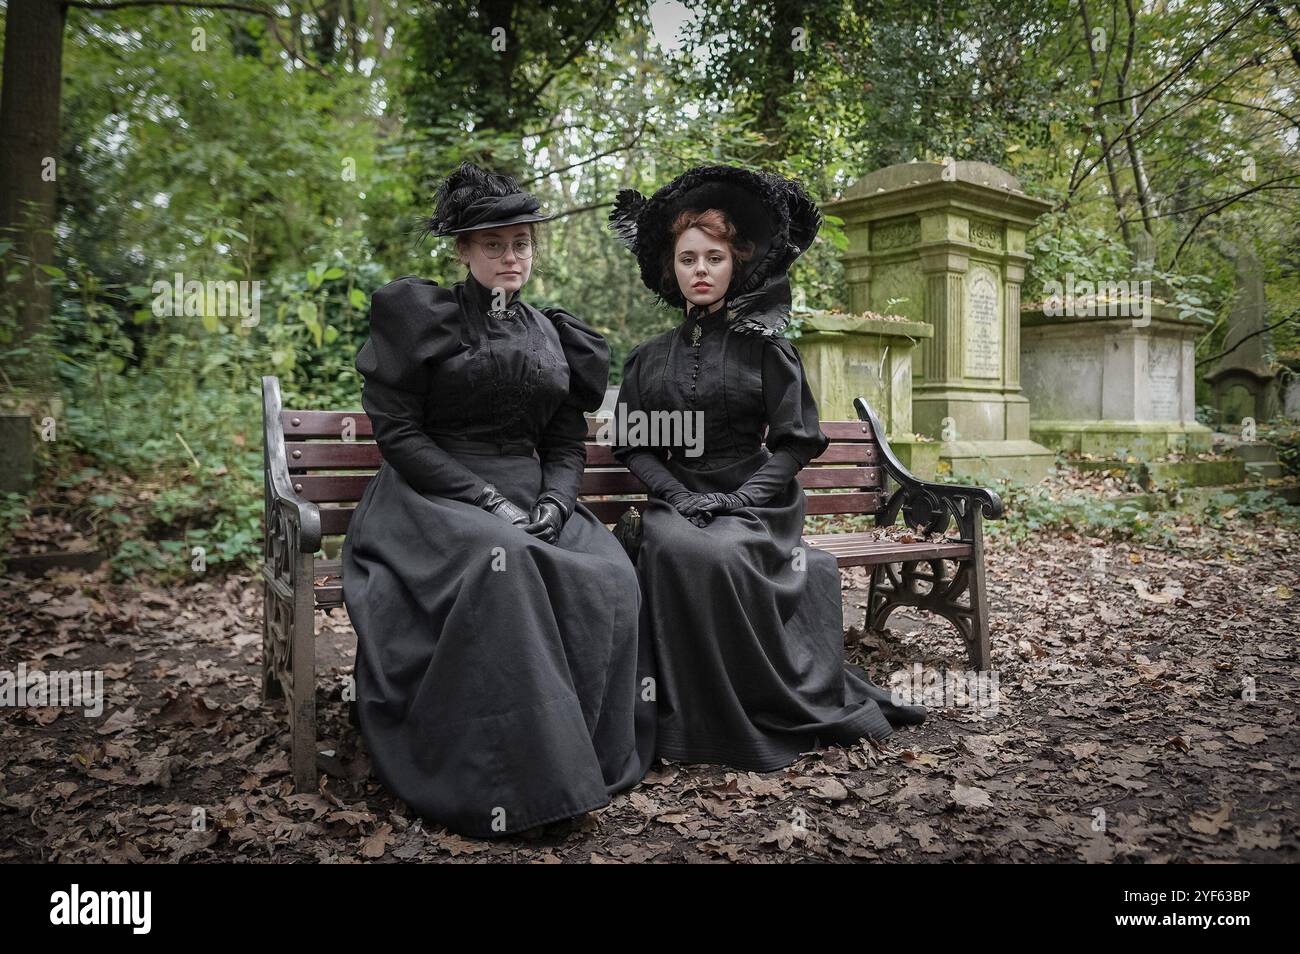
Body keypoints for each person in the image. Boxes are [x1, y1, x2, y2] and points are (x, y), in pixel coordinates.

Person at [342, 161, 648, 838]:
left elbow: (566, 444)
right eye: (494, 245)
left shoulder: (555, 333)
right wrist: (485, 498)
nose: (512, 257)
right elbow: (399, 435)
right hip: (430, 499)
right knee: (504, 566)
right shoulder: (423, 319)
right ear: (464, 250)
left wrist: (557, 503)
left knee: (613, 573)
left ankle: (584, 760)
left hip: (531, 495)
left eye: (522, 244)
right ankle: (521, 786)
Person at [607, 164, 927, 773]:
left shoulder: (766, 349)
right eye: (687, 259)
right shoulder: (648, 360)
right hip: (676, 501)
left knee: (729, 552)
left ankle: (759, 700)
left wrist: (737, 500)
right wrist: (676, 495)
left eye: (713, 258)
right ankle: (695, 710)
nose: (700, 270)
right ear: (671, 269)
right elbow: (635, 445)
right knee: (682, 551)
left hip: (757, 502)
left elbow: (795, 442)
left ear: (736, 264)